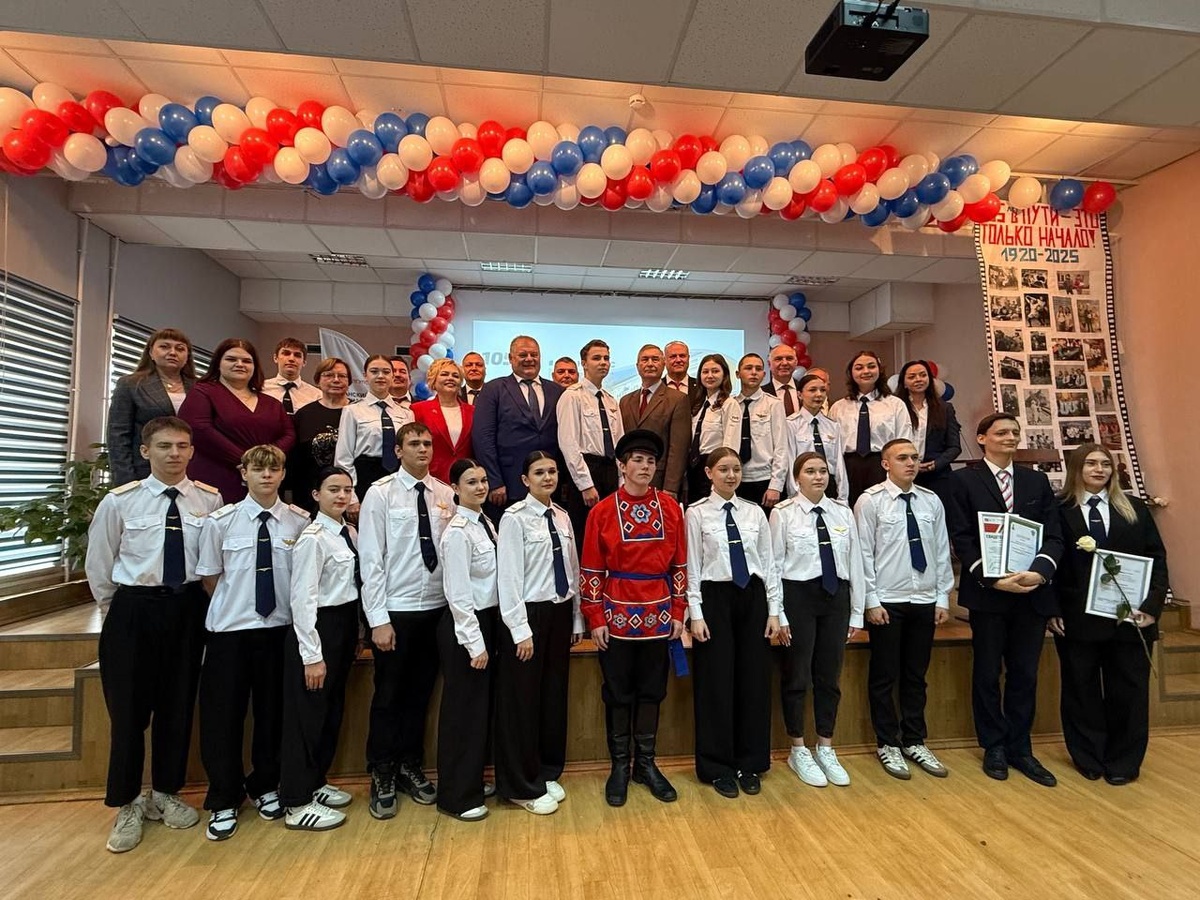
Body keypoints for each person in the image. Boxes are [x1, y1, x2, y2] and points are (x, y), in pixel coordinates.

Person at [84, 416, 224, 853]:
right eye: (164, 446)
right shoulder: (120, 501)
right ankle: (126, 802)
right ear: (146, 451)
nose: (174, 454)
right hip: (134, 610)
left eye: (182, 446)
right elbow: (99, 562)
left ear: (192, 451)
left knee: (176, 706)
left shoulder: (209, 499)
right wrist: (115, 610)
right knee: (128, 713)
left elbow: (212, 560)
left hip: (187, 608)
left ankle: (166, 791)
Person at [195, 445, 311, 841]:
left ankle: (265, 784)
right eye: (258, 469)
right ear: (243, 473)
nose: (266, 475)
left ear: (283, 474)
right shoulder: (220, 522)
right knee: (222, 718)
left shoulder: (299, 522)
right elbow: (211, 578)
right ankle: (224, 796)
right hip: (231, 633)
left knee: (272, 714)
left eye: (274, 469)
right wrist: (237, 609)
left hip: (278, 632)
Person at [946, 413, 1064, 787]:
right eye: (1001, 432)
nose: (1010, 437)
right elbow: (961, 537)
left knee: (1024, 674)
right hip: (989, 593)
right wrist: (994, 578)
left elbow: (1054, 535)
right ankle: (993, 745)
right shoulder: (963, 480)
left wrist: (1039, 573)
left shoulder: (1035, 481)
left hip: (1030, 592)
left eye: (1015, 432)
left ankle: (1020, 747)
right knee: (986, 673)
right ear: (982, 438)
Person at [580, 430, 687, 807]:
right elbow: (591, 567)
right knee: (617, 691)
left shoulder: (671, 508)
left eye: (650, 461)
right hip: (616, 615)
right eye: (637, 460)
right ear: (622, 467)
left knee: (652, 690)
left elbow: (680, 563)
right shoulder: (602, 511)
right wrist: (595, 615)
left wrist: (678, 610)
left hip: (659, 614)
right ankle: (619, 767)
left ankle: (645, 764)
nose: (644, 467)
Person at [1054, 444, 1169, 785]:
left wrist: (1151, 608)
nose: (1099, 469)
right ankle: (1089, 756)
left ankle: (1124, 761)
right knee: (1081, 689)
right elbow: (1050, 562)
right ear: (1077, 468)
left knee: (1129, 692)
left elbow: (1157, 559)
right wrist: (1052, 610)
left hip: (1130, 618)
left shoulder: (1134, 509)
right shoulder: (1059, 510)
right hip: (1076, 617)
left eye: (1106, 464)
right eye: (1091, 463)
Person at [359, 422, 455, 818]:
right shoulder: (380, 494)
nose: (422, 449)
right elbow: (371, 559)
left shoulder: (446, 495)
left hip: (435, 608)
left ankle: (409, 765)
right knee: (389, 696)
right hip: (396, 610)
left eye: (427, 443)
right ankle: (382, 770)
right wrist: (377, 619)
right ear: (398, 450)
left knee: (420, 695)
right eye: (413, 443)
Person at [854, 439, 954, 781]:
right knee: (884, 676)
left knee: (915, 676)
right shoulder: (871, 501)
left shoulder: (931, 500)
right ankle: (888, 743)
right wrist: (871, 600)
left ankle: (914, 740)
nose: (910, 463)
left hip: (924, 599)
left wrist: (942, 597)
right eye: (902, 458)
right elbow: (863, 553)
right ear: (886, 464)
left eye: (914, 457)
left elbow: (941, 549)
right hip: (888, 600)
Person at [687, 447, 780, 798]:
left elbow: (769, 564)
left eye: (736, 469)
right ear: (709, 473)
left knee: (753, 682)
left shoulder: (755, 512)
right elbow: (692, 565)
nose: (731, 475)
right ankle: (717, 765)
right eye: (724, 469)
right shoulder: (696, 513)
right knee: (716, 683)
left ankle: (749, 762)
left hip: (752, 597)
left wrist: (774, 610)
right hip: (715, 598)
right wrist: (695, 613)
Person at [770, 451, 865, 790]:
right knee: (797, 675)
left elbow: (855, 563)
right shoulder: (783, 514)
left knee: (829, 676)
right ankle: (798, 748)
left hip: (835, 599)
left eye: (823, 471)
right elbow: (774, 565)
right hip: (798, 598)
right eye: (810, 471)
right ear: (797, 478)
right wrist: (778, 612)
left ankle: (825, 745)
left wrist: (857, 611)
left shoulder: (842, 512)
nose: (818, 476)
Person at [495, 451, 582, 814]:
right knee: (522, 701)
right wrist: (520, 630)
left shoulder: (562, 515)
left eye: (552, 471)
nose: (548, 478)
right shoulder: (514, 519)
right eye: (539, 472)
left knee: (552, 696)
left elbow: (573, 570)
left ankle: (545, 771)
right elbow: (508, 578)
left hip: (559, 611)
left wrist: (576, 619)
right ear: (524, 480)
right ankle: (520, 785)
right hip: (528, 615)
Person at [279, 466, 360, 832]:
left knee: (329, 710)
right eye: (333, 489)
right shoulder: (313, 538)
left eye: (347, 490)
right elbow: (303, 599)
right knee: (307, 716)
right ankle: (296, 801)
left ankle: (315, 781)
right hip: (318, 628)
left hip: (343, 625)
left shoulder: (349, 533)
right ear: (315, 495)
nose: (341, 496)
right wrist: (311, 655)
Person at [437, 459, 519, 820]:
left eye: (484, 480)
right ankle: (457, 796)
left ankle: (471, 779)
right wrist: (474, 643)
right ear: (455, 488)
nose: (481, 487)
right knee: (464, 712)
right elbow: (458, 594)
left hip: (488, 620)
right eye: (471, 482)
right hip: (466, 626)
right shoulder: (457, 531)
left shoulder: (486, 523)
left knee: (480, 709)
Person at [178, 338, 294, 504]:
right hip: (216, 478)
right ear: (218, 363)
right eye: (231, 359)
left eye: (247, 361)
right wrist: (246, 460)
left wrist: (265, 459)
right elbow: (200, 430)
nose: (240, 364)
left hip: (262, 480)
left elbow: (289, 433)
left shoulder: (272, 403)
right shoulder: (202, 392)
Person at [473, 336, 565, 509]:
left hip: (550, 485)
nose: (529, 359)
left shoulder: (557, 391)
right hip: (508, 486)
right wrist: (494, 481)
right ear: (510, 358)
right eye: (523, 355)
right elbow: (483, 438)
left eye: (534, 354)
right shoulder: (493, 389)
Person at [107, 328, 197, 486]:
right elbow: (118, 435)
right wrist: (125, 479)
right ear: (151, 352)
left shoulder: (200, 387)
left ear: (187, 356)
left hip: (193, 472)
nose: (172, 352)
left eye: (180, 348)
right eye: (164, 347)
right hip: (144, 471)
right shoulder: (131, 384)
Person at [558, 339, 623, 544]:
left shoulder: (611, 400)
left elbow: (620, 444)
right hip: (587, 469)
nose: (603, 362)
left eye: (606, 358)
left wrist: (622, 480)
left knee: (610, 533)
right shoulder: (572, 396)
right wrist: (585, 484)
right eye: (596, 358)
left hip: (610, 469)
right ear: (584, 363)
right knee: (585, 534)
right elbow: (568, 443)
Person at [828, 351, 912, 507]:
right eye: (859, 368)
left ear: (879, 370)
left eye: (871, 366)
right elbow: (831, 446)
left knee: (883, 509)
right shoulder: (838, 407)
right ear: (851, 373)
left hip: (882, 465)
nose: (866, 371)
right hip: (848, 467)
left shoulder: (895, 404)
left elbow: (904, 442)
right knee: (851, 509)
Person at [334, 354, 412, 501]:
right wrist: (351, 496)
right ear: (365, 376)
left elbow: (410, 453)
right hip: (365, 478)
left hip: (399, 477)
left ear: (392, 376)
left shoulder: (406, 413)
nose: (380, 376)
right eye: (374, 371)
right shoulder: (352, 411)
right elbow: (343, 458)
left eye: (386, 372)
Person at [619, 344, 690, 498]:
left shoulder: (678, 399)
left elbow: (679, 449)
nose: (650, 364)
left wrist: (671, 488)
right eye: (645, 360)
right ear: (637, 366)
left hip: (660, 480)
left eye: (655, 359)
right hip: (628, 481)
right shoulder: (625, 401)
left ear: (664, 364)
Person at [721, 353, 787, 509]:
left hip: (764, 479)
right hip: (734, 479)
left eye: (758, 369)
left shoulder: (774, 404)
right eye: (748, 368)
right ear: (738, 374)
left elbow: (782, 447)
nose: (753, 372)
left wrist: (776, 485)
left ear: (764, 375)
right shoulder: (729, 404)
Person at [894, 360, 961, 511]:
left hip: (937, 475)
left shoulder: (945, 408)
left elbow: (954, 446)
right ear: (904, 383)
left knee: (938, 516)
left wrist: (936, 464)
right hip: (902, 473)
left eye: (923, 375)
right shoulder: (896, 407)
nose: (918, 379)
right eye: (912, 376)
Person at [287, 357, 352, 513]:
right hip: (309, 496)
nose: (336, 380)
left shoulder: (359, 413)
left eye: (342, 376)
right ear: (317, 380)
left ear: (349, 381)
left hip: (350, 496)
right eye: (328, 375)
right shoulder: (304, 415)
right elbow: (295, 460)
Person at [785, 373, 848, 502]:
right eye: (812, 390)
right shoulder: (791, 424)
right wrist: (794, 494)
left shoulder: (833, 425)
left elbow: (839, 463)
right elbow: (790, 461)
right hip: (803, 485)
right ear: (799, 394)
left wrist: (843, 496)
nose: (819, 394)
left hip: (828, 483)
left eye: (822, 390)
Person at [412, 358, 474, 484]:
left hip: (466, 481)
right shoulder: (418, 410)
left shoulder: (473, 411)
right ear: (433, 381)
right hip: (431, 479)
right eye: (444, 374)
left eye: (455, 376)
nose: (450, 378)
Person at [686, 354, 733, 504]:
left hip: (714, 465)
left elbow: (730, 443)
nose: (710, 376)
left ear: (724, 375)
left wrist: (724, 471)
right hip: (694, 468)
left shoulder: (729, 404)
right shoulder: (699, 405)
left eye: (715, 371)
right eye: (705, 372)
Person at [261, 337, 321, 415]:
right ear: (275, 358)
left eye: (297, 355)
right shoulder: (260, 389)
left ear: (304, 362)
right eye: (286, 353)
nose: (291, 359)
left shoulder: (317, 396)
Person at [763, 344, 802, 416]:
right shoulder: (762, 393)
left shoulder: (804, 389)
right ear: (769, 364)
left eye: (789, 358)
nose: (784, 363)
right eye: (778, 359)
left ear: (796, 362)